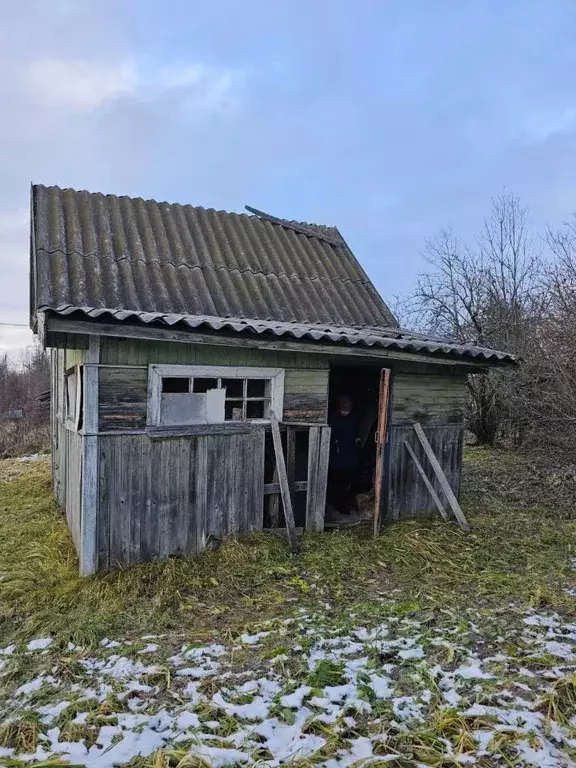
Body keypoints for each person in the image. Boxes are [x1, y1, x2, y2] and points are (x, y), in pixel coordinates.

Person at [327, 394, 360, 515]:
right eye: (343, 410)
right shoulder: (333, 419)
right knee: (337, 482)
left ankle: (343, 502)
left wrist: (357, 439)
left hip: (349, 455)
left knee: (347, 481)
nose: (345, 412)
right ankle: (338, 504)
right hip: (337, 457)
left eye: (348, 410)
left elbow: (354, 433)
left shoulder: (352, 419)